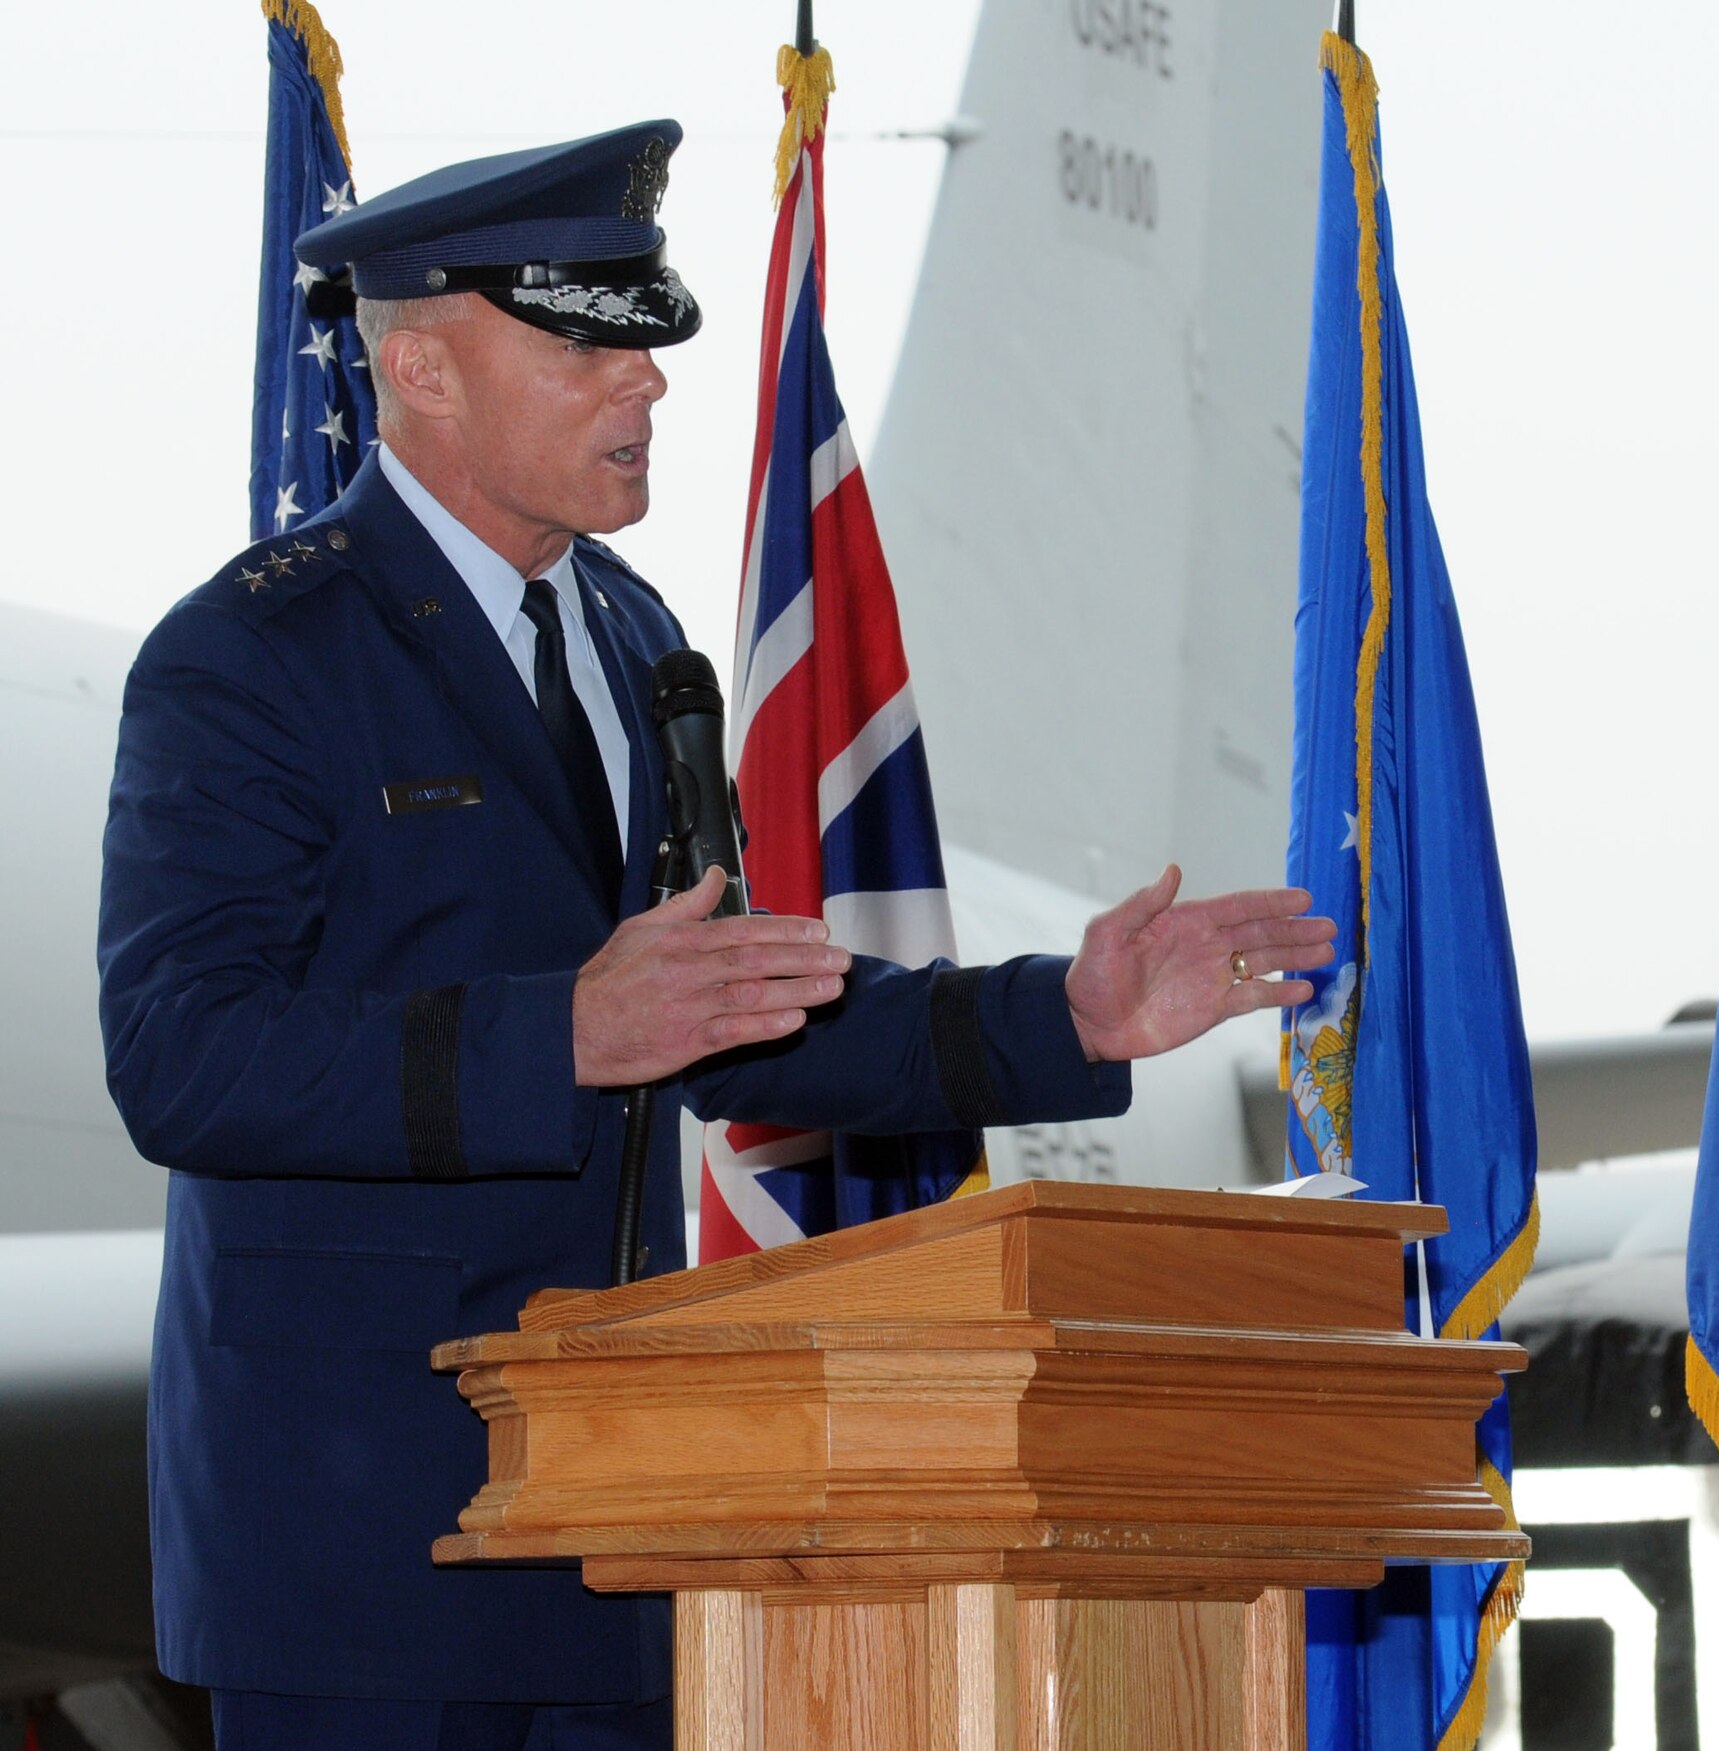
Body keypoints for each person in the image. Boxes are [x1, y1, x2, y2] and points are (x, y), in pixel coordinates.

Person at [97, 120, 1334, 1751]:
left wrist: (1070, 1019)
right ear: (421, 371)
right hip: (364, 1552)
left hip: (622, 1515)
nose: (648, 381)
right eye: (582, 346)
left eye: (645, 341)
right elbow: (181, 1058)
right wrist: (565, 1033)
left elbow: (738, 1009)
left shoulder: (631, 636)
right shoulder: (255, 659)